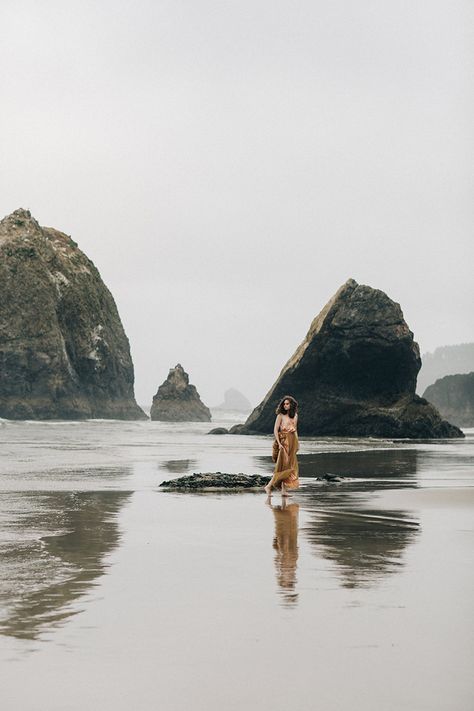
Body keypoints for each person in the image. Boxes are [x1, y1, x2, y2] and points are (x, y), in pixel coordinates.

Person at [264, 395, 299, 497]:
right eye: (284, 404)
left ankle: (283, 491)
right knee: (281, 466)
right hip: (283, 441)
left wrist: (298, 443)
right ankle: (268, 486)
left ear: (291, 404)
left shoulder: (295, 416)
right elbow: (275, 430)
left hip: (292, 441)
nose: (285, 405)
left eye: (287, 404)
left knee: (289, 466)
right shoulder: (280, 415)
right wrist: (279, 443)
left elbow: (295, 430)